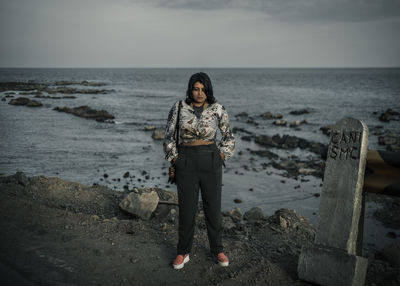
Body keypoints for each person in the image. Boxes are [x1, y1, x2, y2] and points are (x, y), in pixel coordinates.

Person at [163, 72, 235, 270]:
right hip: (186, 161)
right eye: (196, 89)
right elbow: (168, 136)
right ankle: (183, 252)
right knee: (187, 211)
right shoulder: (179, 107)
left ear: (208, 89)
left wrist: (221, 156)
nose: (200, 93)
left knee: (213, 209)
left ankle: (217, 250)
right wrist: (175, 158)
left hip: (211, 160)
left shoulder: (218, 109)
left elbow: (228, 136)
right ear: (190, 90)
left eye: (203, 89)